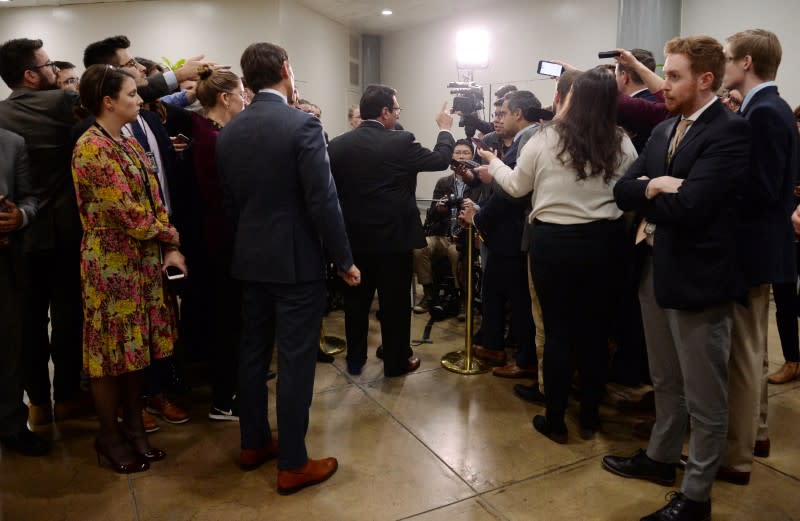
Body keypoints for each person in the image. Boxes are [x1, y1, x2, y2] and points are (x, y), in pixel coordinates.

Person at [602, 35, 751, 521]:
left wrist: (654, 191)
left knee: (706, 394)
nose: (662, 85)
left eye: (673, 76)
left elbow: (693, 206)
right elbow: (623, 191)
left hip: (700, 276)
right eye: (665, 74)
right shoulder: (666, 129)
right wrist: (655, 184)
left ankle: (697, 496)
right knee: (665, 379)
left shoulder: (729, 131)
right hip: (654, 267)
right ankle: (661, 458)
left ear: (705, 79)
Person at [216, 42, 359, 494]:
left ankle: (253, 441)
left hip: (249, 258)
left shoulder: (229, 132)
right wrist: (344, 259)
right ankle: (294, 462)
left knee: (254, 353)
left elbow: (231, 204)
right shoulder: (303, 125)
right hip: (295, 262)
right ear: (284, 70)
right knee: (296, 361)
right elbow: (323, 200)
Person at [477, 68, 637, 441]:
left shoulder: (546, 138)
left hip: (555, 244)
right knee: (596, 334)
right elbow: (627, 194)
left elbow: (517, 187)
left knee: (559, 333)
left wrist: (495, 164)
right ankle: (590, 418)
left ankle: (555, 419)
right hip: (606, 242)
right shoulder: (621, 141)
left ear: (572, 98)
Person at [72, 64, 188, 474]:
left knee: (138, 350)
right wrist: (171, 238)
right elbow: (128, 213)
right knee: (110, 355)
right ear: (109, 102)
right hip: (111, 264)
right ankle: (109, 435)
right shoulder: (91, 147)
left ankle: (136, 429)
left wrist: (166, 241)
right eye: (132, 95)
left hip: (142, 260)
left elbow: (155, 198)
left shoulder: (128, 141)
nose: (140, 100)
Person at [328, 84, 455, 377]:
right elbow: (439, 159)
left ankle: (356, 359)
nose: (397, 114)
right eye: (396, 109)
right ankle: (396, 362)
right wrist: (444, 129)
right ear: (385, 112)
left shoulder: (337, 145)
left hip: (354, 241)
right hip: (394, 241)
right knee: (395, 306)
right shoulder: (401, 141)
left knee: (355, 304)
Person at [717, 28, 799, 484]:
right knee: (753, 349)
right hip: (761, 246)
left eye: (728, 58)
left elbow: (762, 189)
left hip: (752, 247)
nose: (724, 65)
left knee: (744, 354)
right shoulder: (768, 107)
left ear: (746, 62)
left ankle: (736, 455)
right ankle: (758, 432)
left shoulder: (764, 112)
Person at [0, 38, 87, 428]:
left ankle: (38, 403)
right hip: (64, 233)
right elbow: (109, 97)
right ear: (30, 75)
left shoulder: (0, 116)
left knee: (29, 325)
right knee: (69, 320)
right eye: (49, 65)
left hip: (21, 234)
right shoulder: (59, 103)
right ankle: (67, 397)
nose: (56, 72)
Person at [0, 127, 47, 456]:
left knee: (9, 348)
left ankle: (12, 425)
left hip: (5, 263)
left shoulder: (11, 142)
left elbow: (30, 197)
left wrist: (21, 217)